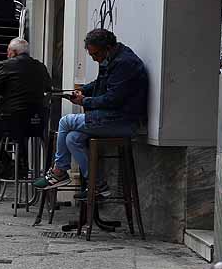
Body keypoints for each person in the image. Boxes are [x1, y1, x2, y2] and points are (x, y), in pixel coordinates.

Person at [34, 28, 148, 195]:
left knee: (65, 121)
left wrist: (85, 101)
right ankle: (97, 184)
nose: (95, 59)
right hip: (114, 118)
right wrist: (83, 91)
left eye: (96, 55)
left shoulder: (124, 63)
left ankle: (59, 171)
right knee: (72, 139)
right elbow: (100, 84)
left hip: (123, 121)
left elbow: (113, 99)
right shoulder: (111, 58)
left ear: (107, 48)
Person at [0, 38, 50, 167]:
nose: (7, 54)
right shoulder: (40, 67)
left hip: (13, 123)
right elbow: (48, 88)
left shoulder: (6, 65)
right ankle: (22, 165)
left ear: (14, 52)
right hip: (37, 125)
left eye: (8, 51)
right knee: (20, 130)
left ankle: (8, 166)